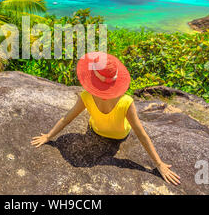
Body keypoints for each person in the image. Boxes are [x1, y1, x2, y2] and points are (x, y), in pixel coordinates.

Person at [31, 52, 181, 186]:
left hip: (96, 130)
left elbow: (66, 119)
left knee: (92, 121)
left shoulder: (86, 96)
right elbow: (141, 134)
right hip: (120, 136)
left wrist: (49, 137)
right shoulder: (126, 102)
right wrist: (159, 164)